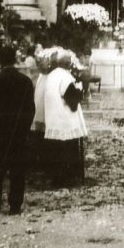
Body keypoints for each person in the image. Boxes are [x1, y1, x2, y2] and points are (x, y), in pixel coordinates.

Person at [0, 46, 35, 215]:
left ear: (0, 60)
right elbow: (30, 109)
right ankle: (15, 205)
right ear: (14, 60)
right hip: (18, 133)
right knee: (17, 169)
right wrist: (24, 129)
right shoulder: (25, 81)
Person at [43, 48, 87, 187]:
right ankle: (67, 178)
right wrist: (80, 91)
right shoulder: (65, 77)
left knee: (55, 150)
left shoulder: (52, 75)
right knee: (66, 149)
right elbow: (71, 99)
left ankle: (56, 178)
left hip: (53, 117)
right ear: (67, 63)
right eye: (69, 61)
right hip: (64, 119)